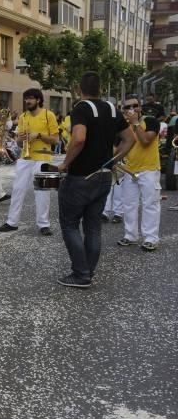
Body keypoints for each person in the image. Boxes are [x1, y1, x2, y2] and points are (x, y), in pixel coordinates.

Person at [55, 72, 136, 288]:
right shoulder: (112, 109)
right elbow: (131, 139)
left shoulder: (81, 109)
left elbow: (79, 138)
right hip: (104, 176)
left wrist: (65, 163)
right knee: (93, 226)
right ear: (100, 88)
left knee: (70, 223)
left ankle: (81, 274)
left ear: (80, 89)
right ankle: (87, 272)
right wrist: (112, 159)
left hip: (81, 176)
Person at [0, 88, 60, 236]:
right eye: (26, 99)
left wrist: (38, 135)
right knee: (18, 189)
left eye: (31, 98)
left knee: (43, 192)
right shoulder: (23, 117)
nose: (27, 101)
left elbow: (56, 140)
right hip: (25, 158)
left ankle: (44, 224)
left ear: (38, 100)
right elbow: (19, 143)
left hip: (44, 158)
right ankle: (12, 222)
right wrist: (21, 139)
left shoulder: (48, 115)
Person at [116, 97, 161, 252]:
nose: (132, 109)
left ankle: (150, 238)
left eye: (135, 106)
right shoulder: (124, 127)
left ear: (140, 107)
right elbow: (121, 148)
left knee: (150, 204)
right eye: (128, 107)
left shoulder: (150, 121)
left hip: (149, 169)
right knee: (128, 204)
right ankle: (130, 235)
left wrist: (135, 123)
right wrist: (112, 162)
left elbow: (146, 140)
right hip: (130, 170)